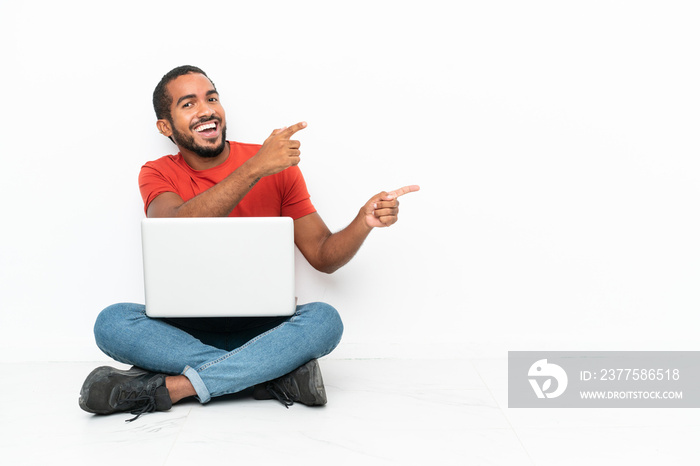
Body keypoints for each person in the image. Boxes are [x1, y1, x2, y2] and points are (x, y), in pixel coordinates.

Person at [78, 65, 419, 421]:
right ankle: (270, 376)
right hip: (183, 333)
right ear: (165, 126)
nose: (207, 109)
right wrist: (254, 168)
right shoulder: (159, 172)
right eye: (188, 104)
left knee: (325, 320)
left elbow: (323, 256)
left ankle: (174, 388)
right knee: (111, 322)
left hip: (264, 330)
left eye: (212, 98)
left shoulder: (277, 168)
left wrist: (362, 223)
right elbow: (175, 225)